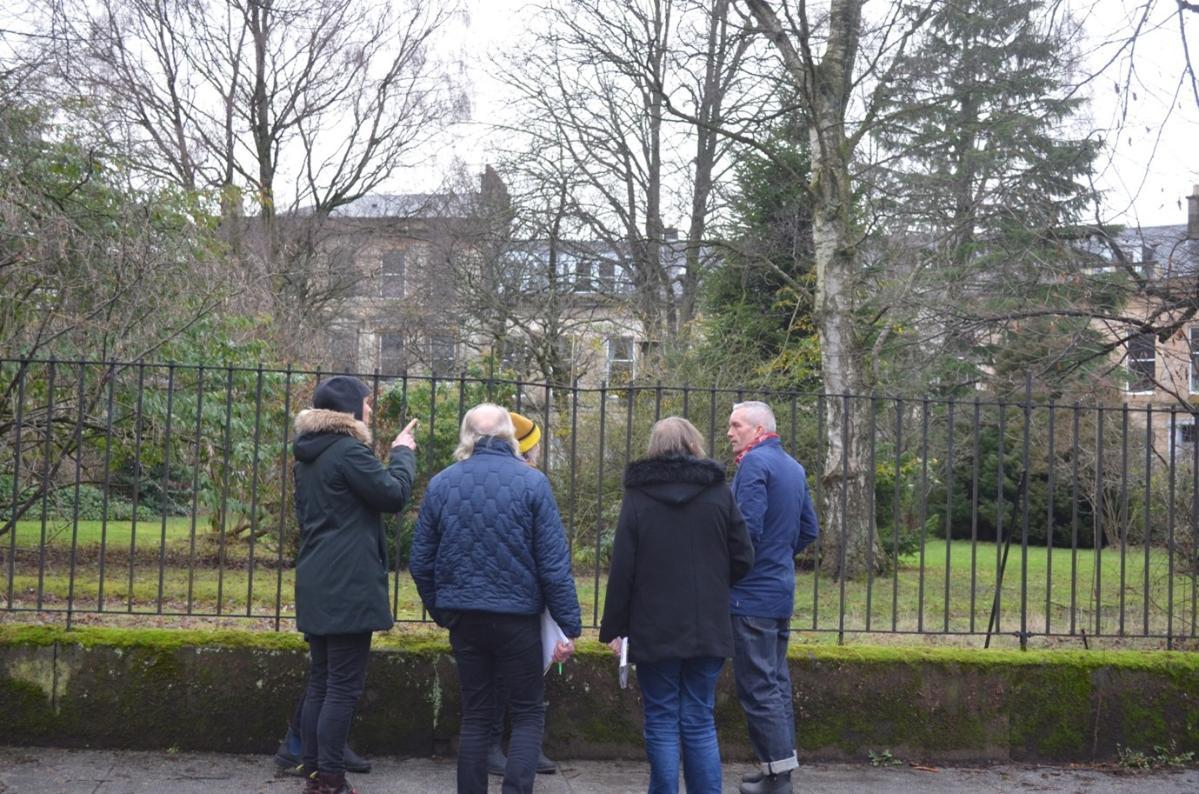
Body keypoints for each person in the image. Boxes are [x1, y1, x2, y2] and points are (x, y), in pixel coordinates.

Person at [410, 404, 582, 794]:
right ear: (510, 437)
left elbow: (420, 562)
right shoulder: (533, 483)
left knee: (475, 717)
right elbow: (554, 565)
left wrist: (444, 611)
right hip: (517, 620)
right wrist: (569, 626)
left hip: (465, 619)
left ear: (466, 436)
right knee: (526, 715)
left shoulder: (442, 483)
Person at [599, 417, 755, 794]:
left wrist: (615, 627)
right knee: (699, 718)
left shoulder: (638, 497)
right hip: (708, 624)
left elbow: (623, 568)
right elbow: (744, 556)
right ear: (694, 444)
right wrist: (716, 585)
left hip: (654, 626)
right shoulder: (719, 492)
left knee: (662, 717)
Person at [292, 375, 417, 794]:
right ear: (348, 410)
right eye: (366, 404)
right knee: (342, 686)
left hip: (316, 578)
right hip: (347, 583)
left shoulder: (308, 455)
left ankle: (314, 772)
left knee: (322, 682)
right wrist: (402, 454)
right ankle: (329, 778)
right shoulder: (347, 450)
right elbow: (393, 495)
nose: (370, 411)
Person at [726, 401, 819, 794]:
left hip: (751, 596)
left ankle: (778, 780)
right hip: (779, 591)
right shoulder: (793, 467)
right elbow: (809, 529)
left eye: (736, 425)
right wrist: (779, 556)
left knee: (758, 687)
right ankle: (774, 769)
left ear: (759, 428)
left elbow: (745, 530)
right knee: (776, 683)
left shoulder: (754, 465)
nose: (730, 433)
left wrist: (735, 571)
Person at [488, 411, 558, 777]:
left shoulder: (531, 481)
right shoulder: (528, 481)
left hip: (521, 591)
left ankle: (521, 747)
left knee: (526, 672)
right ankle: (496, 746)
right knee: (506, 675)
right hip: (512, 594)